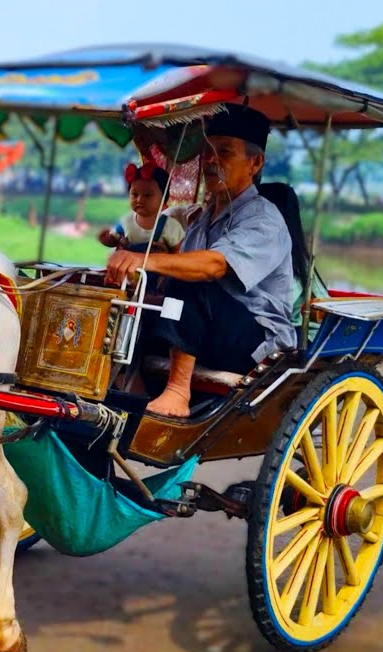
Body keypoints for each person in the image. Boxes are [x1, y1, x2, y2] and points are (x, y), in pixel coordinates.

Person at [104, 103, 295, 418]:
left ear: (255, 163)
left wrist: (143, 259)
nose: (210, 160)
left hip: (254, 343)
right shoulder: (203, 217)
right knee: (132, 304)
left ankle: (178, 392)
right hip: (207, 331)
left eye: (224, 152)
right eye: (207, 152)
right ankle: (125, 389)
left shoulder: (264, 219)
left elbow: (213, 266)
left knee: (193, 277)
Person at [98, 162, 185, 254]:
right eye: (135, 194)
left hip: (157, 263)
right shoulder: (126, 222)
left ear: (163, 200)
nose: (139, 200)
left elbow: (178, 252)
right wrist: (107, 239)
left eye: (147, 195)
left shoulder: (170, 226)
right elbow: (114, 239)